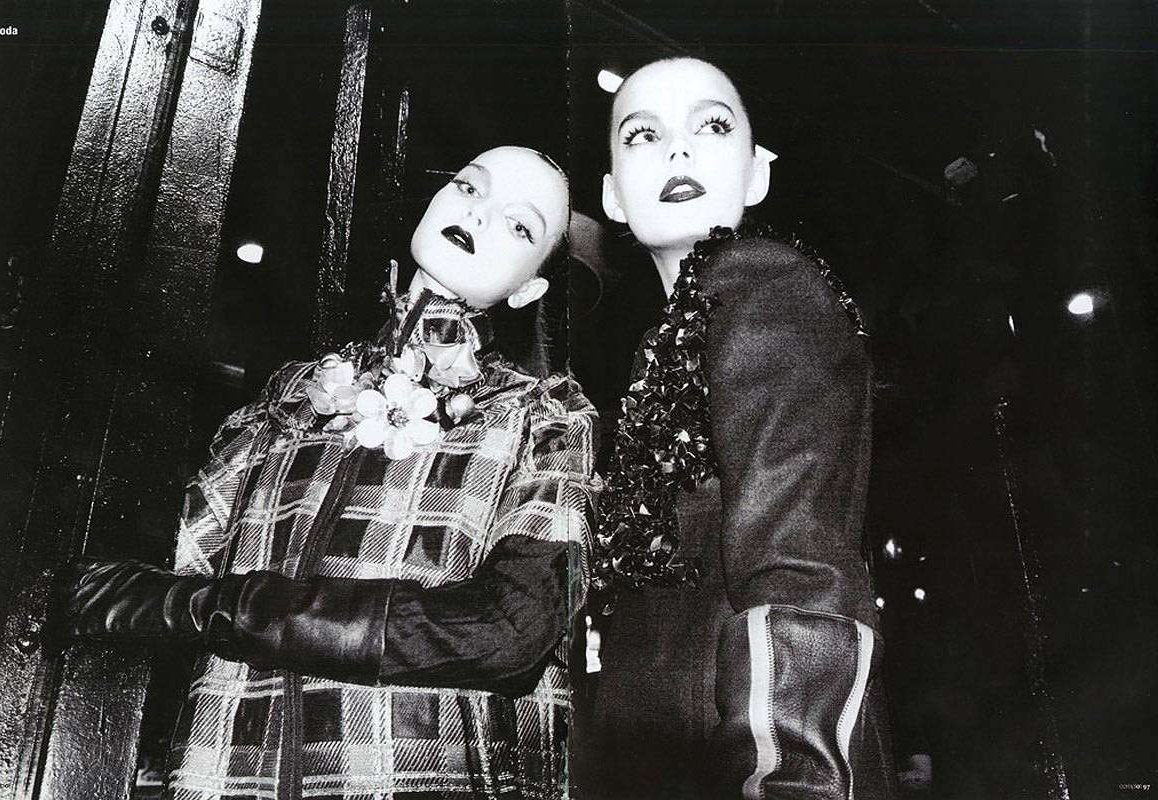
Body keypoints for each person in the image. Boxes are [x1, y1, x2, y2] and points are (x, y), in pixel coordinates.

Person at [55, 145, 600, 800]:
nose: (479, 214)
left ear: (529, 288)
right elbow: (184, 553)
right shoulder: (293, 392)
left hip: (409, 776)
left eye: (519, 225)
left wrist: (221, 610)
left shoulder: (544, 415)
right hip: (224, 773)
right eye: (467, 187)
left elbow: (509, 631)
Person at [582, 58, 897, 799]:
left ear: (757, 175)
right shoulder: (676, 333)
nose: (677, 149)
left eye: (712, 126)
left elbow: (800, 567)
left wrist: (787, 778)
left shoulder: (761, 281)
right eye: (642, 135)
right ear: (612, 196)